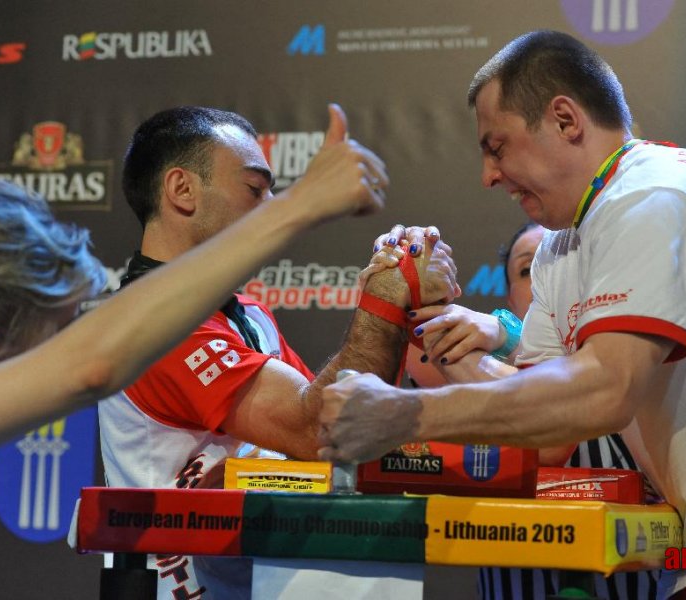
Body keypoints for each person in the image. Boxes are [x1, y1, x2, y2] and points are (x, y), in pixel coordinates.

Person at [318, 30, 686, 598]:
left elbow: (605, 389)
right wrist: (428, 314)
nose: (487, 175)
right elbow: (546, 427)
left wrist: (407, 415)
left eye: (496, 146)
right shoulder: (566, 245)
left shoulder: (654, 194)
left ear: (565, 120)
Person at [97, 105, 458, 599]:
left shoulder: (247, 312)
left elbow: (337, 435)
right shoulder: (151, 321)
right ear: (181, 190)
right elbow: (315, 431)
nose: (270, 204)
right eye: (254, 188)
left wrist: (404, 297)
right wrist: (385, 295)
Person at [0, 109, 386, 459]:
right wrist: (302, 205)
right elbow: (91, 364)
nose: (268, 203)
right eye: (51, 339)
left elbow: (337, 420)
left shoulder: (247, 313)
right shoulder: (162, 333)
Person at [404, 221, 659, 600]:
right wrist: (410, 271)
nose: (547, 278)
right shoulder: (466, 350)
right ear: (508, 297)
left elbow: (568, 391)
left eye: (563, 264)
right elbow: (419, 342)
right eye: (528, 269)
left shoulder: (639, 354)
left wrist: (507, 333)